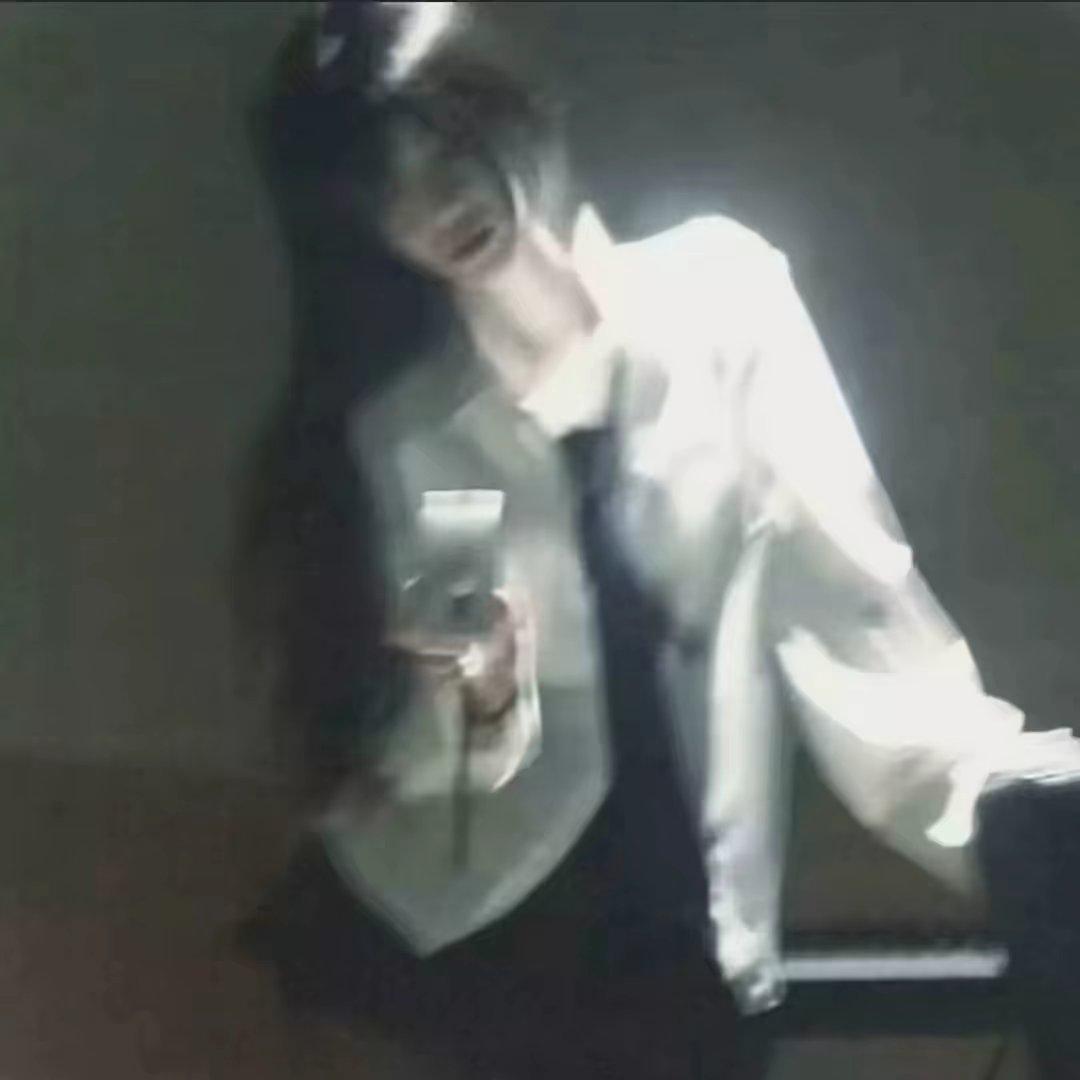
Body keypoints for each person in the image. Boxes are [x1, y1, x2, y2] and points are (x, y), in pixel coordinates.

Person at [233, 3, 1080, 1077]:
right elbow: (433, 766)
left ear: (513, 106)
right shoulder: (408, 434)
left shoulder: (721, 306)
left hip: (685, 958)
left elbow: (863, 625)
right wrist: (479, 705)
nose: (436, 199)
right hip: (483, 955)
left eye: (447, 143)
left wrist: (1022, 791)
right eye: (384, 184)